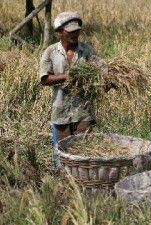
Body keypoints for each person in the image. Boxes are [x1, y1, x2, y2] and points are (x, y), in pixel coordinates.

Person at [39, 11, 108, 171]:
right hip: (60, 112)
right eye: (70, 31)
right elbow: (44, 79)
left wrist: (109, 80)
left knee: (84, 153)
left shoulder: (87, 51)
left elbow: (103, 70)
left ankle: (84, 186)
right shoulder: (51, 52)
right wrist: (67, 76)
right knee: (63, 155)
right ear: (59, 32)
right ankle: (65, 186)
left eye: (77, 31)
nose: (74, 34)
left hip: (83, 112)